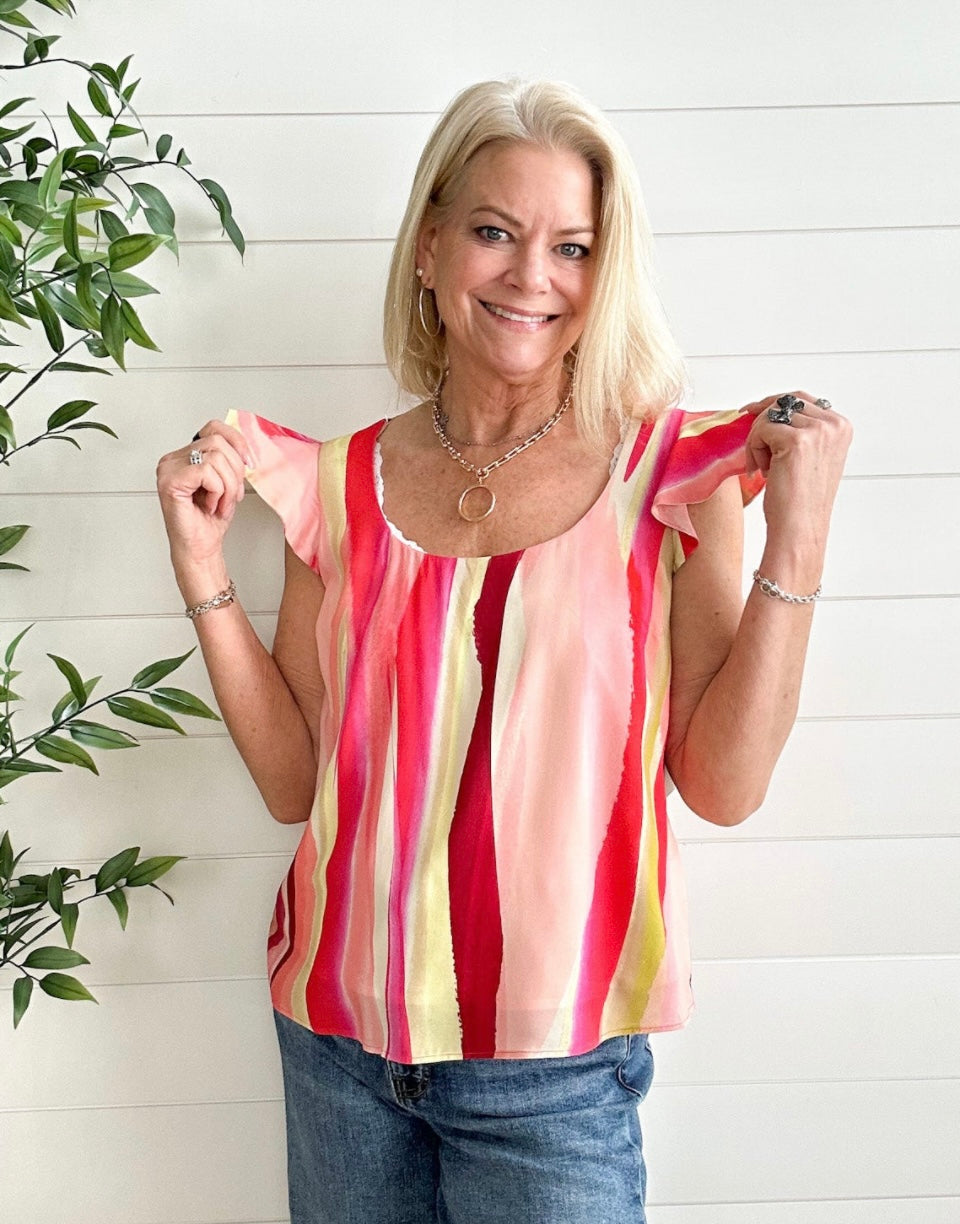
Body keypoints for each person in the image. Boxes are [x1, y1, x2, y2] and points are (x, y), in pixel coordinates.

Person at [156, 79, 851, 1224]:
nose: (533, 276)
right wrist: (202, 574)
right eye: (494, 232)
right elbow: (293, 782)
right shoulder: (337, 485)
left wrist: (802, 535)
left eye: (572, 247)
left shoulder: (668, 481)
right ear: (430, 247)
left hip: (553, 1076)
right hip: (337, 1042)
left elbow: (723, 787)